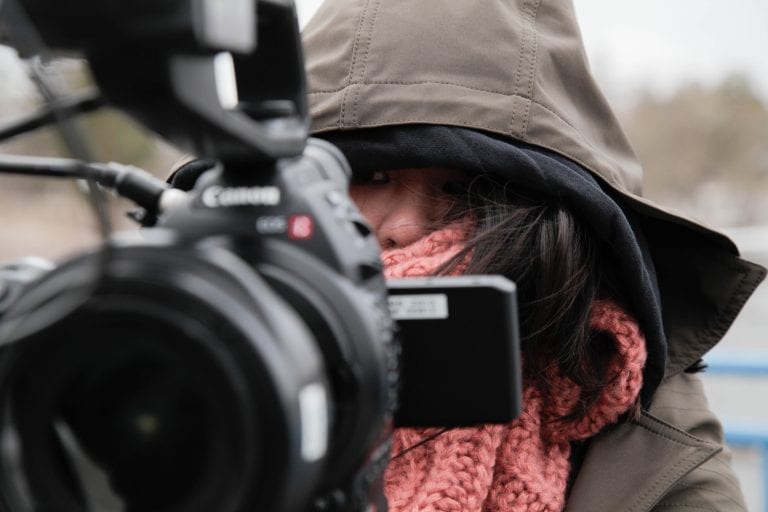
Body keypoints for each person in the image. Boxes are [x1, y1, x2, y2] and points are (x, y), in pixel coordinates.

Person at [300, 0, 767, 511]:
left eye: (460, 187)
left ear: (551, 223)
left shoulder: (645, 434)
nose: (405, 227)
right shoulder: (217, 362)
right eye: (370, 177)